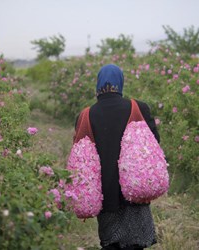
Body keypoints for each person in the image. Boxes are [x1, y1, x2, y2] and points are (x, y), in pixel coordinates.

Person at [74, 64, 160, 250]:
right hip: (135, 189)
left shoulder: (86, 115)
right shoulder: (138, 108)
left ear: (98, 84)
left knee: (111, 242)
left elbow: (81, 153)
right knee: (136, 242)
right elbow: (154, 143)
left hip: (105, 193)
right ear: (120, 82)